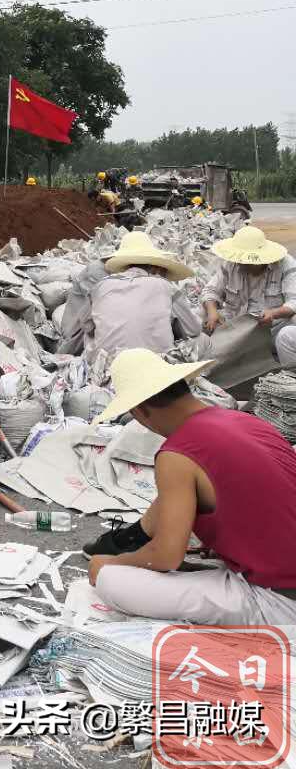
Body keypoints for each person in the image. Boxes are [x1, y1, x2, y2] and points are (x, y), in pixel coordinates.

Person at [83, 349, 296, 625]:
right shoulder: (247, 421)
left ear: (139, 411)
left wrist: (113, 563)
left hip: (281, 601)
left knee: (108, 578)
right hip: (284, 572)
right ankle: (131, 539)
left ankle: (120, 551)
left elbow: (167, 556)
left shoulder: (177, 454)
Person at [82, 232, 201, 360]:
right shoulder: (167, 287)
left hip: (107, 363)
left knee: (90, 336)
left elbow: (86, 325)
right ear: (155, 268)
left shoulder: (100, 286)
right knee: (202, 340)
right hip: (155, 363)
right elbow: (193, 330)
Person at [200, 225, 296, 365]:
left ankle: (288, 377)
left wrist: (275, 313)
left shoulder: (285, 264)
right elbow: (210, 291)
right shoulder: (231, 264)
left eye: (248, 261)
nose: (241, 263)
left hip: (271, 330)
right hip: (236, 329)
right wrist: (212, 312)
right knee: (199, 315)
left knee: (287, 334)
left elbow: (294, 301)